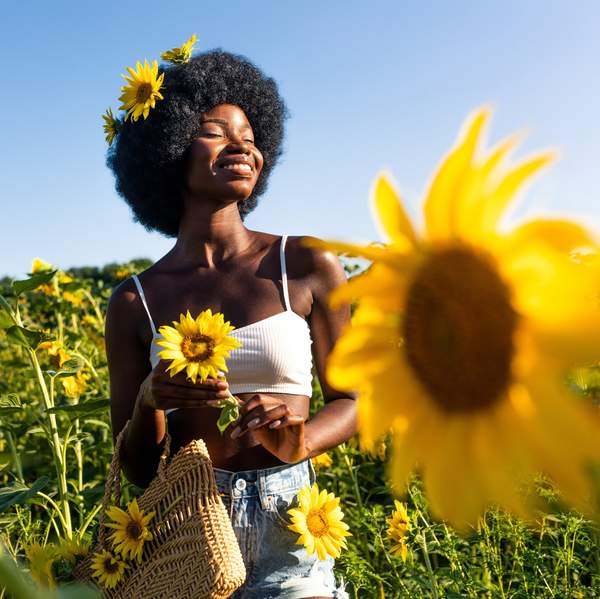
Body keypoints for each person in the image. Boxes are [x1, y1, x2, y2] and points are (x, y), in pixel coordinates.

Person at [104, 48, 356, 598]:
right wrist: (150, 400)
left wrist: (300, 440)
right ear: (166, 149)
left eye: (249, 135)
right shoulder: (134, 301)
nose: (242, 145)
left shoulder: (307, 264)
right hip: (186, 532)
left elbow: (356, 397)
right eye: (215, 132)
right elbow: (139, 468)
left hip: (290, 522)